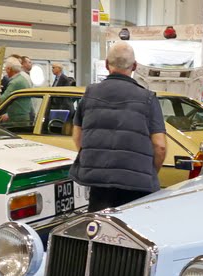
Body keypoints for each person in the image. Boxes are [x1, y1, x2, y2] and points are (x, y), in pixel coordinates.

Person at [71, 42, 167, 212]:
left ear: (107, 64)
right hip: (137, 185)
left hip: (98, 183)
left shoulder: (90, 94)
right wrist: (149, 173)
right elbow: (159, 146)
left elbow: (78, 135)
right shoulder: (148, 98)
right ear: (135, 66)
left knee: (100, 231)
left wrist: (94, 162)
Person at [0, 56, 32, 126]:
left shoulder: (15, 82)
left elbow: (2, 100)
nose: (5, 72)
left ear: (9, 69)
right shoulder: (23, 79)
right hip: (24, 116)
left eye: (5, 69)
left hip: (16, 119)